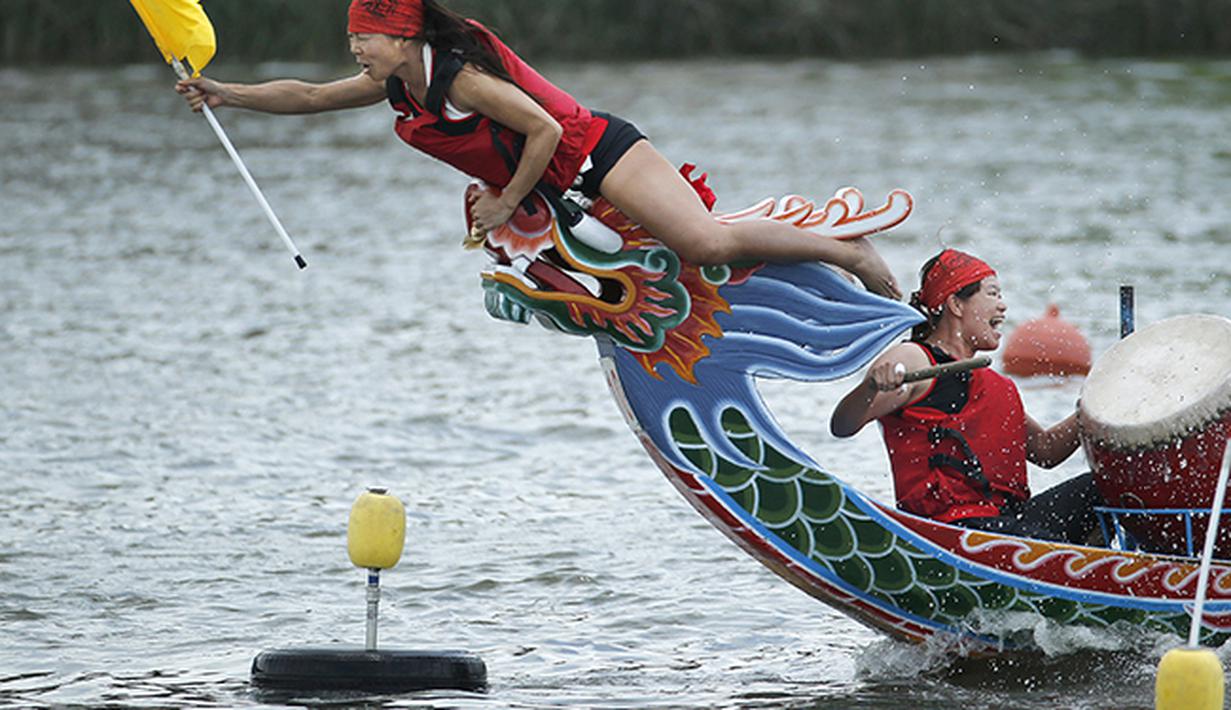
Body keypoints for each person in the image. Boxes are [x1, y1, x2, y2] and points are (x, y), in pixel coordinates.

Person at [175, 0, 901, 300]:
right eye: (352, 39)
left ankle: (849, 254)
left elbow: (546, 130)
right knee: (684, 258)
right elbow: (308, 97)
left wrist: (505, 203)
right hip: (564, 190)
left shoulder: (460, 78)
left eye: (363, 37)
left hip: (599, 155)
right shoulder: (396, 83)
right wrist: (224, 93)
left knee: (704, 243)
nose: (355, 49)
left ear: (402, 37)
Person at [829, 249, 1102, 544]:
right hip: (950, 530)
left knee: (1106, 486)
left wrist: (1093, 411)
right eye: (993, 293)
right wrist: (871, 388)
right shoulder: (915, 359)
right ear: (956, 304)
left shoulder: (994, 384)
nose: (1003, 305)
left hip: (1008, 523)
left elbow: (1046, 451)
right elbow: (843, 425)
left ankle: (1110, 564)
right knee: (1038, 538)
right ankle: (1070, 562)